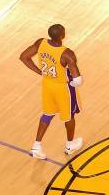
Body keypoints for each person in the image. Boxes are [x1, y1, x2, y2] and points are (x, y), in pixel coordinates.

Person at [19, 24, 83, 159]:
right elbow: (78, 80)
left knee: (47, 114)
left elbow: (24, 57)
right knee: (69, 116)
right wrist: (71, 82)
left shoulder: (41, 43)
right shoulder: (67, 54)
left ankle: (36, 146)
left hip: (47, 85)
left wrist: (39, 72)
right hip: (62, 88)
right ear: (62, 36)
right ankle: (70, 145)